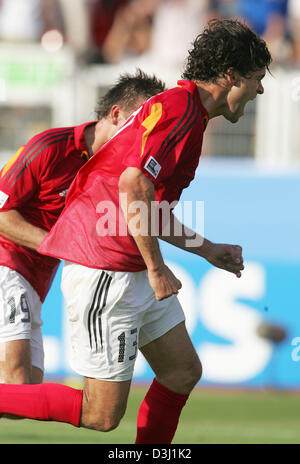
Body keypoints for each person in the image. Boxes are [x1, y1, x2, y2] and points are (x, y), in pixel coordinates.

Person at [0, 19, 271, 444]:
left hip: (127, 267)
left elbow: (147, 205)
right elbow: (133, 186)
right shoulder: (180, 111)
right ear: (231, 75)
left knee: (182, 371)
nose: (259, 91)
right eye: (256, 80)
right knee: (100, 414)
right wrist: (157, 266)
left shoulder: (186, 113)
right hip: (106, 269)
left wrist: (207, 250)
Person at [0, 69, 166, 385]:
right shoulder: (49, 147)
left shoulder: (125, 171)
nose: (146, 133)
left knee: (23, 393)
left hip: (37, 281)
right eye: (142, 123)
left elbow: (145, 218)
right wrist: (64, 246)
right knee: (17, 379)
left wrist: (205, 247)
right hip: (7, 267)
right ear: (116, 115)